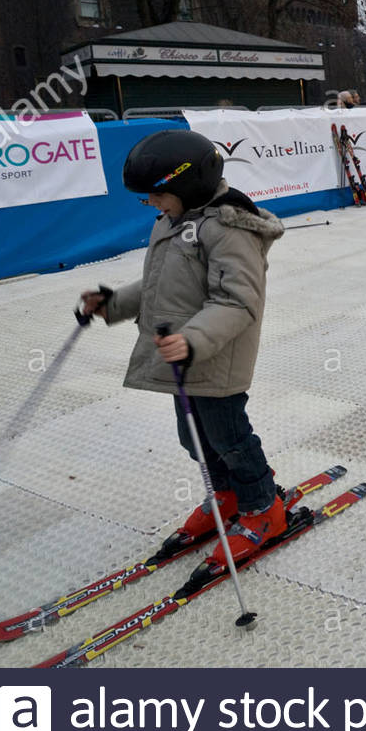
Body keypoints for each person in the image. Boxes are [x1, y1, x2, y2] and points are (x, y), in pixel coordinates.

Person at [80, 129, 286, 572]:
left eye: (158, 195)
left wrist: (194, 340)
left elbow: (238, 301)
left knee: (230, 439)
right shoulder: (173, 219)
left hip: (215, 358)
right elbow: (160, 285)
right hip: (183, 359)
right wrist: (114, 303)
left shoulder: (229, 227)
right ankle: (226, 496)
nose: (153, 205)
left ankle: (261, 508)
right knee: (194, 439)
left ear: (189, 184)